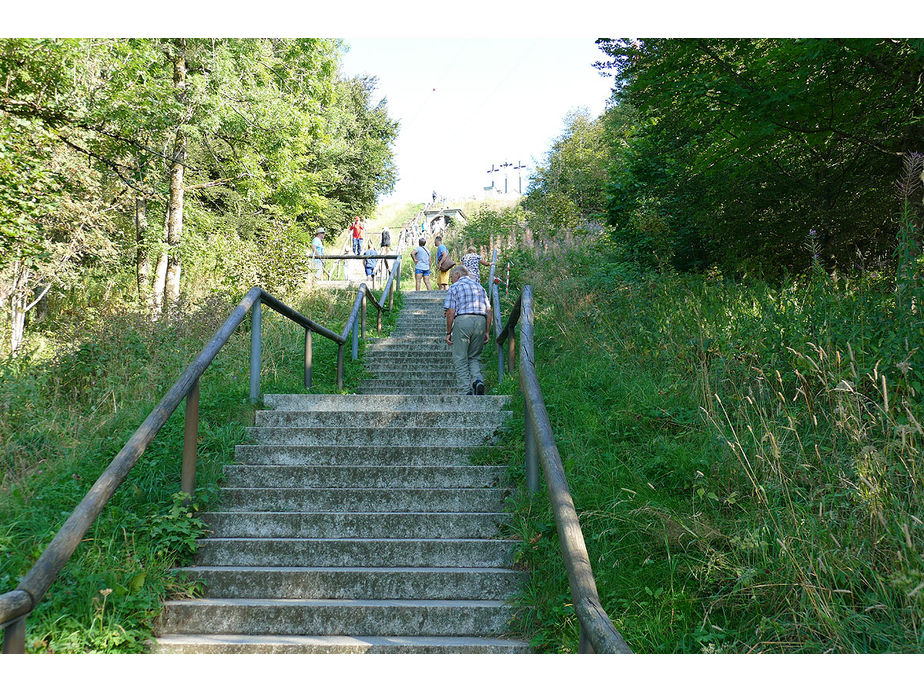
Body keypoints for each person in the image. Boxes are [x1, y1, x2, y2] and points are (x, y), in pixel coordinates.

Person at [444, 265, 492, 395]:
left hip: (463, 321)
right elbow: (489, 310)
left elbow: (451, 312)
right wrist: (487, 331)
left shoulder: (455, 287)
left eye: (452, 277)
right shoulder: (480, 288)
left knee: (460, 357)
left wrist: (448, 332)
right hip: (480, 322)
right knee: (474, 357)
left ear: (457, 275)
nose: (451, 280)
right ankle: (477, 381)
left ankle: (466, 391)